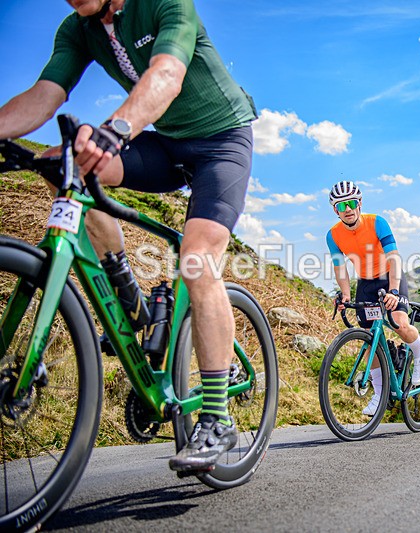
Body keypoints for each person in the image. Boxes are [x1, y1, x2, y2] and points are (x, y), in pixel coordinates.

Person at [0, 0, 258, 473]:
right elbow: (45, 92)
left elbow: (166, 72)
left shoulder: (165, 3)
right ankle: (129, 297)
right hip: (167, 142)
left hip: (222, 142)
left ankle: (217, 419)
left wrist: (116, 129)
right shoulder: (79, 28)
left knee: (197, 260)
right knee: (65, 165)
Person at [326, 180, 420, 416]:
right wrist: (345, 295)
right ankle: (380, 394)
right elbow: (340, 268)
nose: (348, 209)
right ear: (335, 210)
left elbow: (393, 257)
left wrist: (393, 291)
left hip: (390, 277)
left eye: (351, 203)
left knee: (400, 323)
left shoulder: (377, 223)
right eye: (342, 206)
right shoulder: (333, 235)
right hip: (366, 284)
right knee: (370, 339)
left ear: (359, 203)